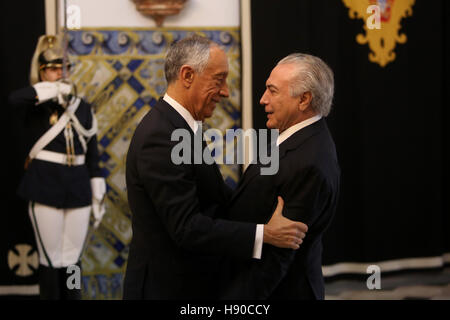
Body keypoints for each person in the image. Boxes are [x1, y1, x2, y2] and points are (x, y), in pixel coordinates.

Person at [123, 35, 308, 300]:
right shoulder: (161, 135)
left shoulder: (181, 125)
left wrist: (265, 210)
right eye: (218, 80)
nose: (226, 91)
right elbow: (187, 227)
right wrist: (264, 234)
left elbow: (215, 199)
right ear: (187, 75)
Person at [221, 53, 340, 300]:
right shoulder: (292, 136)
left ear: (304, 99)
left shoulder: (310, 162)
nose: (263, 99)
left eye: (272, 91)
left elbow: (277, 259)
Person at [8, 34, 106, 300]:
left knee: (73, 259)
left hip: (77, 188)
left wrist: (97, 190)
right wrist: (50, 90)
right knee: (50, 259)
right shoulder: (35, 105)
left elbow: (93, 154)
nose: (60, 73)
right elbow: (14, 99)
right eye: (52, 68)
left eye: (64, 68)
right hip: (45, 186)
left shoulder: (81, 107)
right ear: (41, 72)